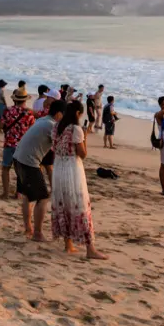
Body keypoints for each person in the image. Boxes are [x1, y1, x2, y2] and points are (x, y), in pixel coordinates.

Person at [51, 101, 106, 260]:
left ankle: (68, 244)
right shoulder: (76, 129)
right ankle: (90, 248)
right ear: (77, 113)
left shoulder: (56, 127)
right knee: (79, 205)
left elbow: (55, 148)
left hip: (59, 166)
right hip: (72, 168)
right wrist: (85, 137)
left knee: (64, 204)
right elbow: (82, 154)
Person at [13, 99, 65, 240]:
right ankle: (37, 233)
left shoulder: (43, 120)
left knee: (26, 195)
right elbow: (62, 145)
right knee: (43, 198)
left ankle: (28, 228)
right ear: (59, 114)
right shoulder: (52, 126)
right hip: (29, 162)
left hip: (18, 158)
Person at [1, 88, 35, 199]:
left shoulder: (8, 110)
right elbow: (32, 129)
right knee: (20, 170)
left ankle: (6, 193)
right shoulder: (29, 113)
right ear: (25, 100)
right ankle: (19, 194)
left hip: (9, 143)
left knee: (6, 168)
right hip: (23, 145)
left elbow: (1, 126)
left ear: (15, 100)